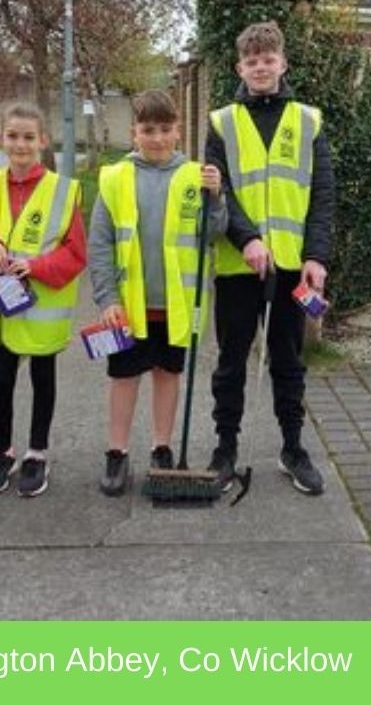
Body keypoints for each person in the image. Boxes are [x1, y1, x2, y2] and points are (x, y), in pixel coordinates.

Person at [204, 20, 336, 496]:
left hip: (291, 267)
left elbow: (322, 194)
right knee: (231, 364)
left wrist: (316, 255)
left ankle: (293, 448)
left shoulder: (309, 121)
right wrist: (247, 239)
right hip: (238, 265)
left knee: (288, 361)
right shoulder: (221, 122)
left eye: (268, 59)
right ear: (239, 68)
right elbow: (218, 190)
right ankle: (225, 449)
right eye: (251, 60)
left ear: (283, 63)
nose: (260, 67)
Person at [89, 90, 227, 496]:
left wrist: (216, 198)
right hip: (128, 307)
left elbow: (213, 233)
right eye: (148, 130)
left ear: (178, 131)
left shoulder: (195, 176)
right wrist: (107, 298)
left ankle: (161, 447)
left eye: (165, 129)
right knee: (124, 377)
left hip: (176, 305)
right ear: (134, 132)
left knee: (168, 375)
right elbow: (100, 244)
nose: (157, 138)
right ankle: (117, 452)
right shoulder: (115, 178)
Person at [0, 102, 87, 497]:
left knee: (42, 379)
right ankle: (2, 451)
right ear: (1, 138)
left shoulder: (64, 190)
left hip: (42, 307)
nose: (20, 144)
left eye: (28, 137)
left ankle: (37, 452)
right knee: (0, 379)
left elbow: (75, 253)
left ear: (43, 141)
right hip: (1, 307)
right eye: (13, 136)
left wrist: (34, 266)